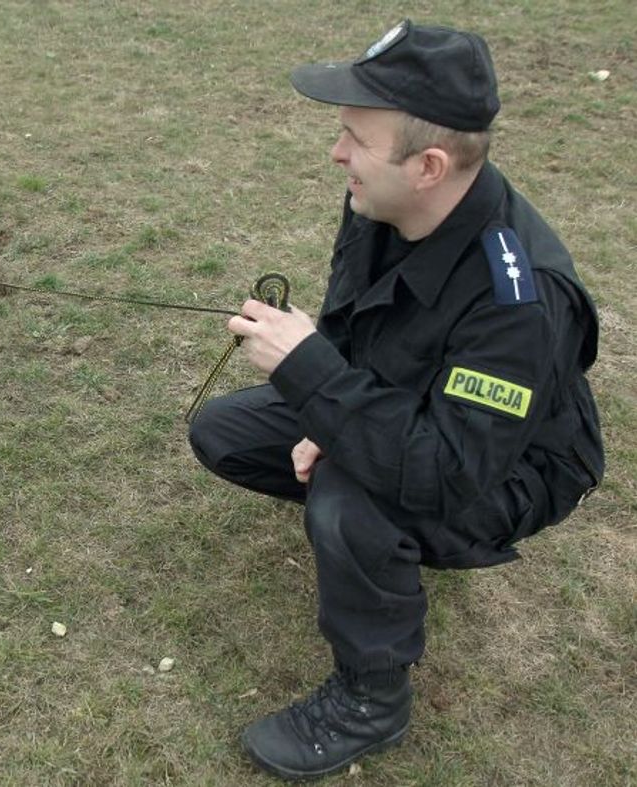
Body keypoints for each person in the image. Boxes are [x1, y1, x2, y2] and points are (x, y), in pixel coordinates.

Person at [187, 19, 604, 781]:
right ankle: (377, 538)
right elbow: (357, 327)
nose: (337, 152)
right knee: (227, 431)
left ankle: (371, 698)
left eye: (356, 138)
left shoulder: (519, 299)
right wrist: (330, 410)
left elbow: (449, 469)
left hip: (506, 463)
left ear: (429, 165)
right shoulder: (381, 204)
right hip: (409, 405)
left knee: (353, 498)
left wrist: (325, 399)